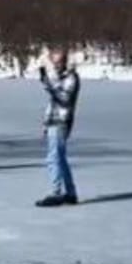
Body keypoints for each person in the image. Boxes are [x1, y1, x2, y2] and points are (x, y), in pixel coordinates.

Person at [35, 49, 80, 207]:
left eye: (58, 62)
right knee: (60, 158)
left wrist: (48, 78)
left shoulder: (71, 78)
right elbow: (53, 98)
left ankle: (56, 192)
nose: (56, 65)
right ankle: (70, 192)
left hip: (61, 122)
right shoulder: (61, 78)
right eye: (54, 62)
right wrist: (45, 123)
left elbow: (63, 98)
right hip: (53, 121)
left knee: (53, 158)